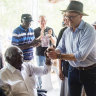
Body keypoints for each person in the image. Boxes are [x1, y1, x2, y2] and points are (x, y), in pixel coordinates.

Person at [46, 1, 96, 96]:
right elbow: (61, 47)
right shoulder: (66, 31)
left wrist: (58, 55)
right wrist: (53, 51)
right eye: (67, 16)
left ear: (81, 16)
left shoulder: (89, 30)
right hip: (72, 69)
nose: (68, 19)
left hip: (89, 71)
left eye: (71, 17)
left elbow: (81, 56)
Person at [34, 15, 56, 89]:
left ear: (46, 21)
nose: (43, 22)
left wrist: (50, 36)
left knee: (48, 70)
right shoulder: (35, 30)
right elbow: (34, 42)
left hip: (48, 54)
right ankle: (39, 87)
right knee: (40, 71)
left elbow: (54, 42)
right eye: (41, 21)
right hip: (39, 54)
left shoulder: (50, 29)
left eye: (44, 21)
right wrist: (41, 35)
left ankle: (47, 87)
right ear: (38, 21)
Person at [56, 13, 69, 96]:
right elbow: (59, 51)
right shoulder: (63, 31)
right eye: (64, 18)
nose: (65, 20)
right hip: (66, 66)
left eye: (66, 18)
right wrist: (60, 69)